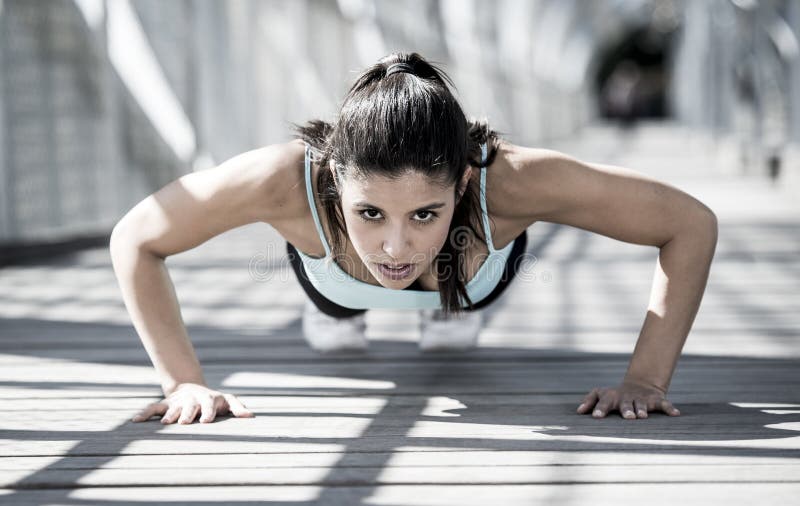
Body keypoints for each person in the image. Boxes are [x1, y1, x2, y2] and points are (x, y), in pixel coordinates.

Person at [110, 52, 718, 425]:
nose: (396, 247)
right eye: (370, 212)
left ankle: (446, 306)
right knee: (340, 308)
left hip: (470, 280)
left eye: (425, 213)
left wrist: (647, 380)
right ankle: (341, 302)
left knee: (450, 298)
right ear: (333, 179)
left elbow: (689, 223)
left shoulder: (512, 179)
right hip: (334, 279)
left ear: (464, 180)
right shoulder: (283, 179)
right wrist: (181, 380)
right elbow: (135, 238)